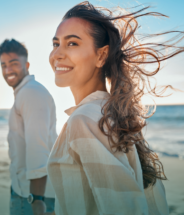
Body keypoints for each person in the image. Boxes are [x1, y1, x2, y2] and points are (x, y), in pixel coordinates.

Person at [46, 2, 184, 215]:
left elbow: (123, 208)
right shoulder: (112, 112)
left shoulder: (86, 119)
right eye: (56, 44)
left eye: (72, 43)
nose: (57, 54)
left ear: (101, 56)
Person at [0, 39, 57, 215]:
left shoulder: (31, 93)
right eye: (3, 65)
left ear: (27, 64)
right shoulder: (25, 93)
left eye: (14, 63)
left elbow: (37, 148)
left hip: (31, 196)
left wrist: (36, 200)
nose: (8, 70)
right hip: (24, 189)